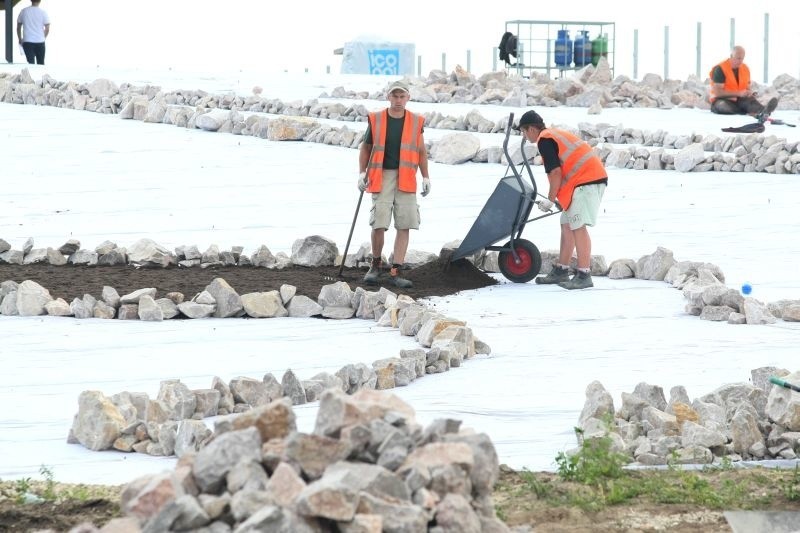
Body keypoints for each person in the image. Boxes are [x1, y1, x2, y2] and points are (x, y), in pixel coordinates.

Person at [517, 110, 607, 290]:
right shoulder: (551, 136)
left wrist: (550, 199)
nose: (525, 137)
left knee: (577, 226)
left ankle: (584, 274)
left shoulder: (545, 140)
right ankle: (562, 270)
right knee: (566, 224)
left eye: (524, 132)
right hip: (582, 181)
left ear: (532, 129)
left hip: (587, 181)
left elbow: (556, 172)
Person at [357, 80, 430, 289]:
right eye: (394, 96)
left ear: (408, 98)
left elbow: (421, 152)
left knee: (404, 223)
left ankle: (396, 270)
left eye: (402, 96)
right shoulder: (377, 119)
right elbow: (365, 148)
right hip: (381, 175)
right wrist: (362, 173)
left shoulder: (416, 121)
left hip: (406, 176)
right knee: (379, 222)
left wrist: (425, 176)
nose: (398, 100)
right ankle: (376, 264)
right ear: (388, 97)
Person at [709, 46, 777, 122]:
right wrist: (738, 93)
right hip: (722, 100)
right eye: (738, 58)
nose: (740, 61)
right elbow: (718, 93)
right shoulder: (720, 69)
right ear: (731, 56)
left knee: (750, 102)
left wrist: (749, 93)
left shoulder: (745, 69)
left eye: (742, 58)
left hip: (740, 100)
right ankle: (749, 111)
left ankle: (764, 111)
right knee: (723, 107)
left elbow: (747, 87)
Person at [17, 0, 50, 65]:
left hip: (27, 41)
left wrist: (20, 39)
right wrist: (43, 37)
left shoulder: (24, 11)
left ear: (31, 0)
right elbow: (47, 28)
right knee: (41, 63)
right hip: (40, 41)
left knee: (30, 64)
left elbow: (18, 27)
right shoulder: (43, 12)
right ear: (40, 1)